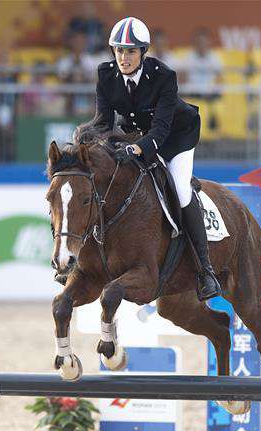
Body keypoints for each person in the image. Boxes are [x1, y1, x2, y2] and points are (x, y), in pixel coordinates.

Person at [92, 17, 221, 301]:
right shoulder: (105, 74)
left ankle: (205, 270)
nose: (123, 58)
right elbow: (103, 123)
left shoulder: (164, 76)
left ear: (144, 52)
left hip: (176, 137)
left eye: (130, 51)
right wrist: (90, 143)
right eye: (119, 50)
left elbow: (161, 130)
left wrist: (137, 149)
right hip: (136, 135)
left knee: (181, 189)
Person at [56, 31, 99, 116]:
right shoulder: (64, 61)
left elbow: (95, 81)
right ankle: (68, 114)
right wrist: (72, 77)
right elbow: (61, 80)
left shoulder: (91, 60)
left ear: (85, 42)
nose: (78, 44)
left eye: (81, 41)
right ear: (71, 42)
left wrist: (83, 77)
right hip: (69, 95)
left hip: (87, 93)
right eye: (76, 41)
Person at [176, 27, 223, 100]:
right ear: (194, 43)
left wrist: (213, 90)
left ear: (208, 42)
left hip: (210, 94)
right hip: (192, 94)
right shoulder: (188, 58)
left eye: (203, 42)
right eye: (199, 42)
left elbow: (219, 78)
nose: (201, 45)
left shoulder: (215, 59)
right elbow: (182, 78)